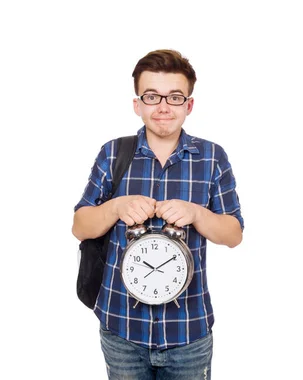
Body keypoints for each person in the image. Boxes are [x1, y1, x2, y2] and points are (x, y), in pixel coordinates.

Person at [72, 49, 244, 380]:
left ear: (189, 105)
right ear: (138, 104)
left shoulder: (212, 158)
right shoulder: (112, 154)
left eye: (175, 97)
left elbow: (233, 234)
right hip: (121, 326)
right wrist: (116, 206)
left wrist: (196, 213)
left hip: (188, 331)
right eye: (152, 96)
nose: (163, 106)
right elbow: (80, 227)